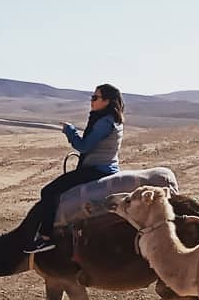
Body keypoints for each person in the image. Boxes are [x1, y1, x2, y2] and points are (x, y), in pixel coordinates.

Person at [25, 83, 125, 253]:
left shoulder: (104, 122)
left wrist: (69, 130)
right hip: (104, 167)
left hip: (97, 170)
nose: (91, 101)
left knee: (48, 192)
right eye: (92, 97)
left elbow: (84, 146)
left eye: (95, 98)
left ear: (107, 101)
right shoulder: (108, 119)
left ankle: (45, 238)